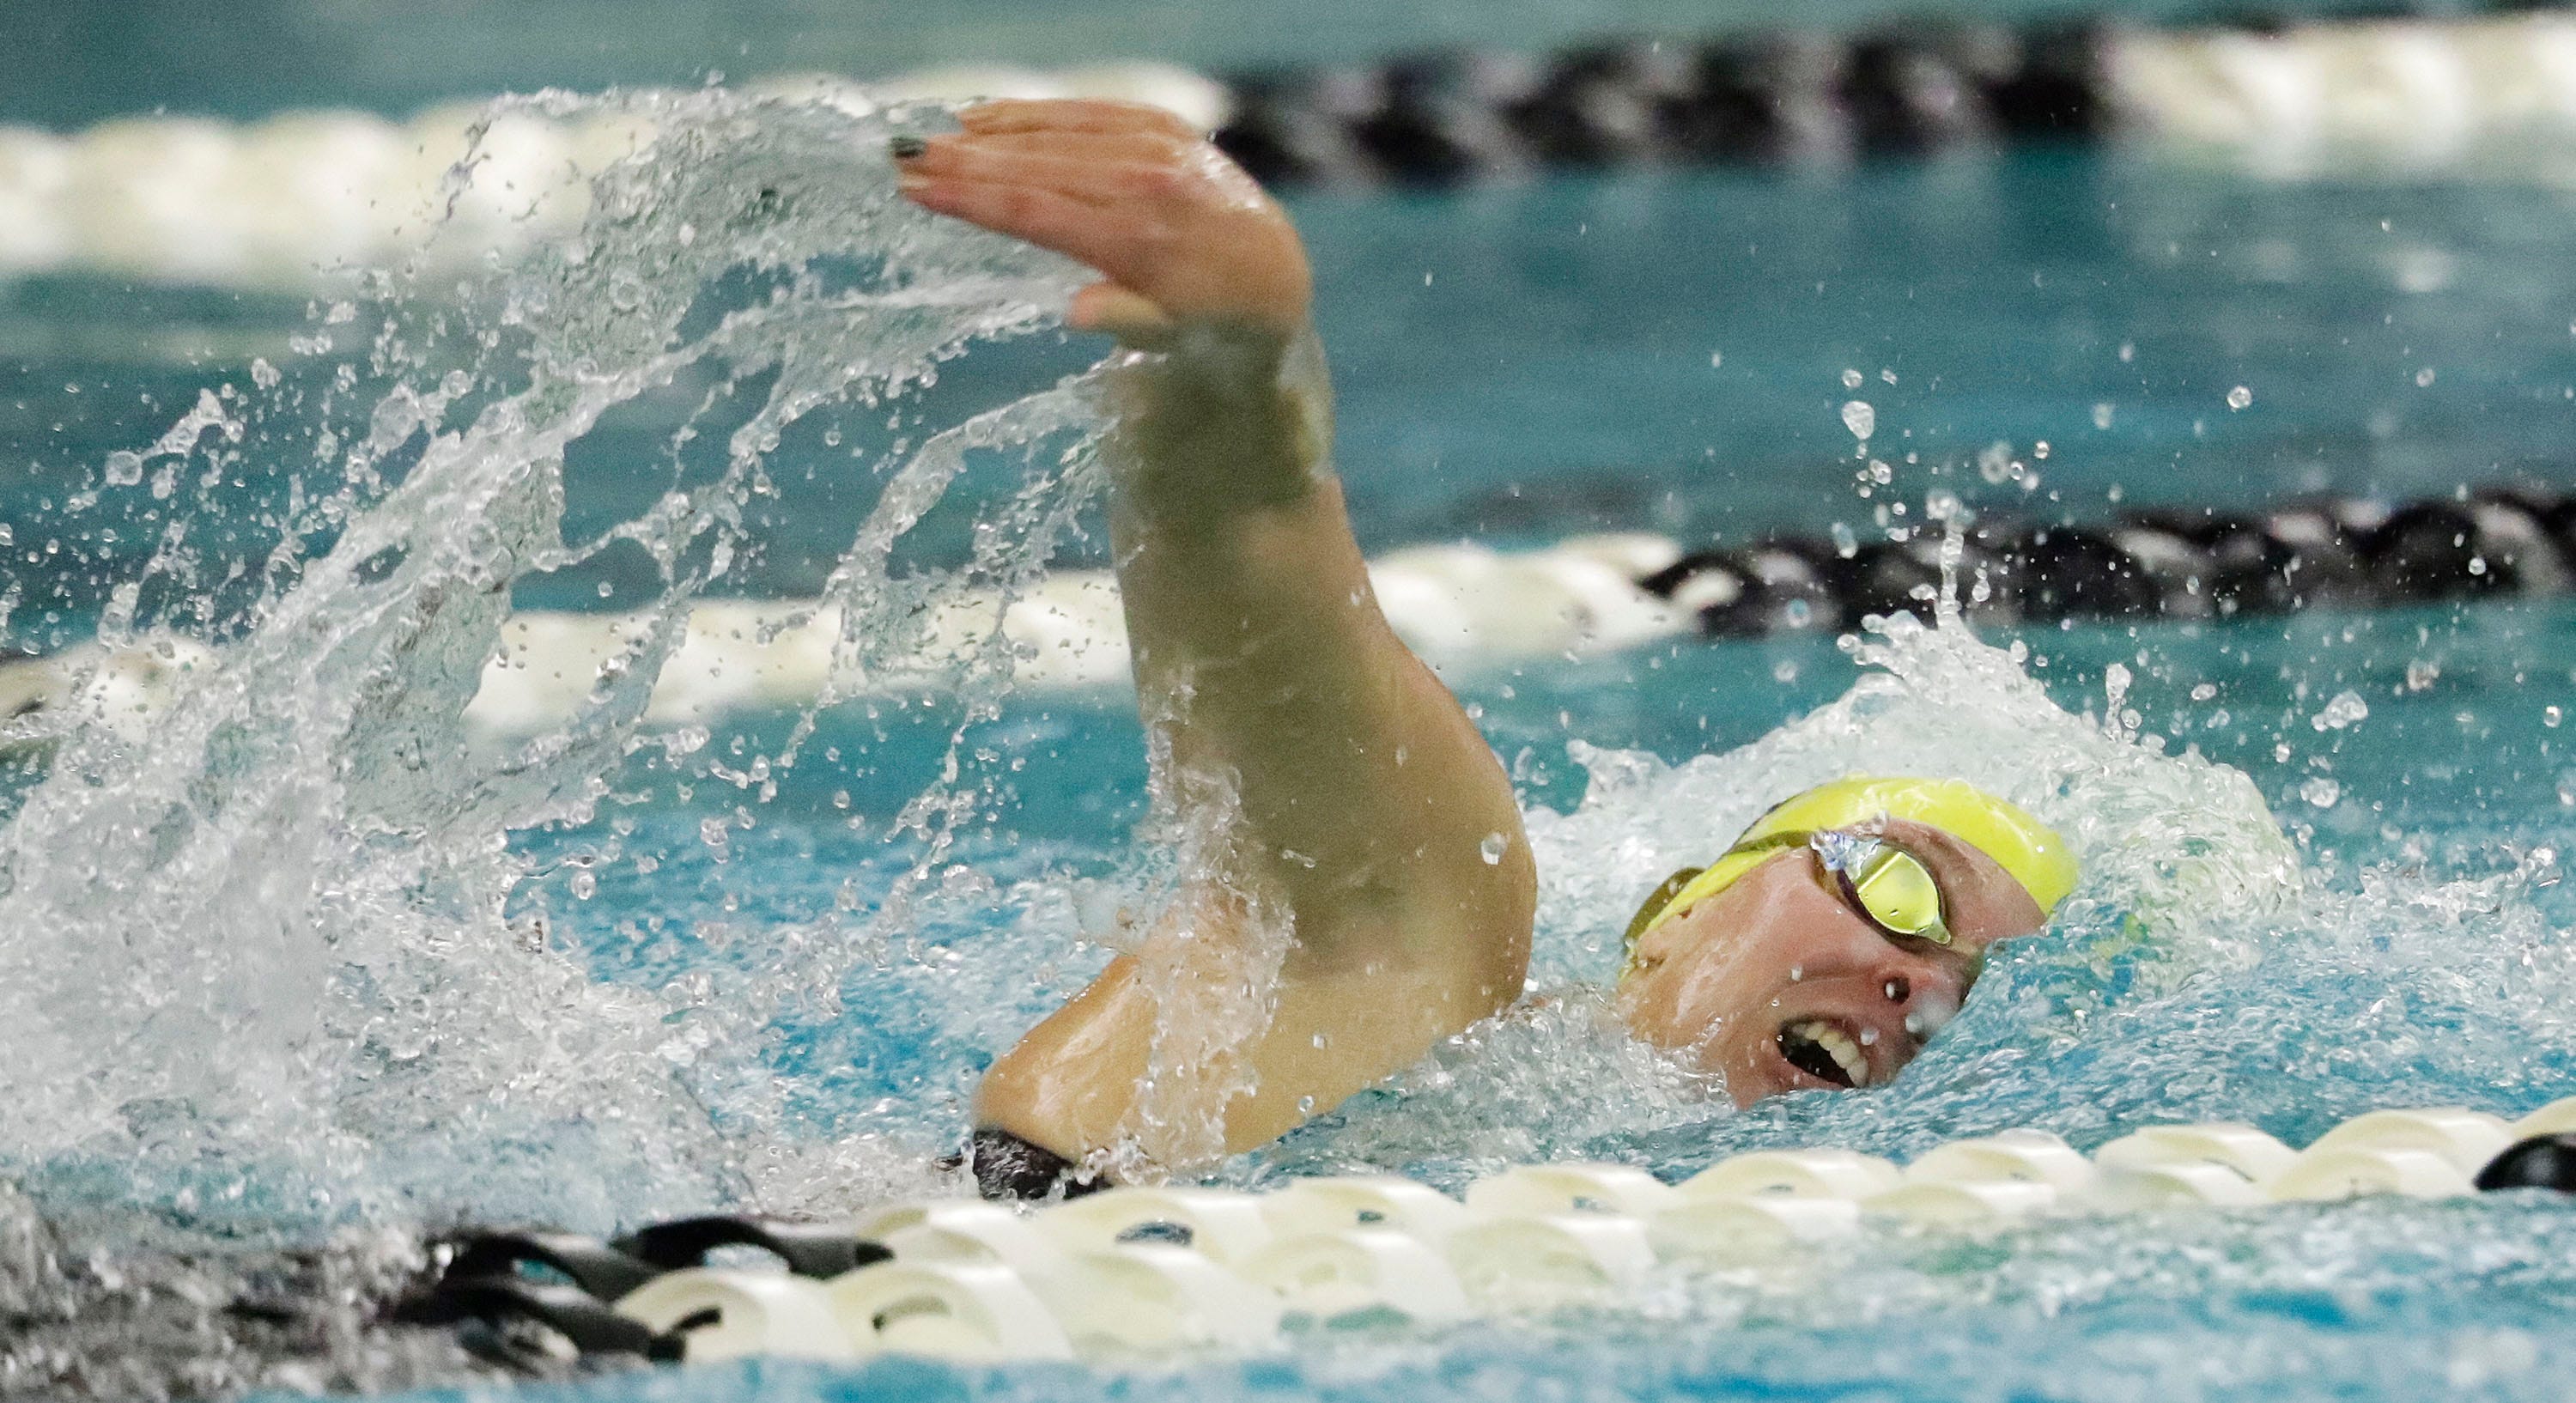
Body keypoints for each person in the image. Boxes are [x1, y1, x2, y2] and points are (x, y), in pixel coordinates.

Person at [890, 100, 2079, 1200]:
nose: (1920, 987)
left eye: (1967, 993)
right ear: (1676, 908)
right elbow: (1265, 611)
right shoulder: (1435, 948)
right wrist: (1237, 367)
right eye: (1904, 888)